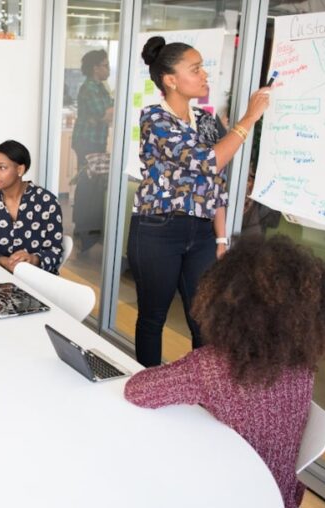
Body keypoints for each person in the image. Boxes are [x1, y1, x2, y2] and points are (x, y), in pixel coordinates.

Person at [124, 235, 325, 508]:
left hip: (225, 504)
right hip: (277, 500)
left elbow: (137, 390)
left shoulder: (212, 366)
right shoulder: (301, 368)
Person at [128, 36, 271, 367]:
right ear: (171, 80)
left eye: (203, 68)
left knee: (204, 320)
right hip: (158, 229)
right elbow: (209, 162)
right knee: (153, 317)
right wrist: (249, 118)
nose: (204, 75)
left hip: (203, 232)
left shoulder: (205, 120)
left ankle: (204, 392)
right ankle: (147, 385)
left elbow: (215, 183)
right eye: (195, 69)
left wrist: (220, 238)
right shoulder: (155, 119)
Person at [0, 140, 64, 274]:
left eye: (1, 167)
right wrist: (4, 262)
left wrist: (33, 259)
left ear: (20, 169)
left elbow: (55, 252)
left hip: (37, 281)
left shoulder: (47, 203)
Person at [71, 49, 114, 171]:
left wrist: (108, 113)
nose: (109, 69)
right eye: (106, 65)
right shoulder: (90, 88)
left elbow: (112, 111)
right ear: (96, 68)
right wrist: (107, 114)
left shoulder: (101, 87)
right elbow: (105, 115)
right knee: (88, 180)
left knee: (94, 179)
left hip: (97, 140)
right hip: (88, 141)